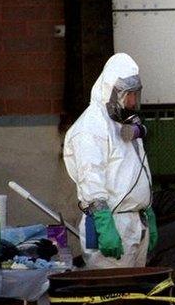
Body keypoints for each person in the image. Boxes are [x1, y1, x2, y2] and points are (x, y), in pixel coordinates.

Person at [63, 53, 157, 269]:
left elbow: (135, 171)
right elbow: (90, 176)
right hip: (112, 224)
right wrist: (104, 224)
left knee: (136, 297)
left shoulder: (122, 125)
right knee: (114, 297)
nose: (132, 102)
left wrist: (147, 211)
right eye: (128, 95)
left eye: (135, 94)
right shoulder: (91, 128)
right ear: (112, 92)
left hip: (135, 223)